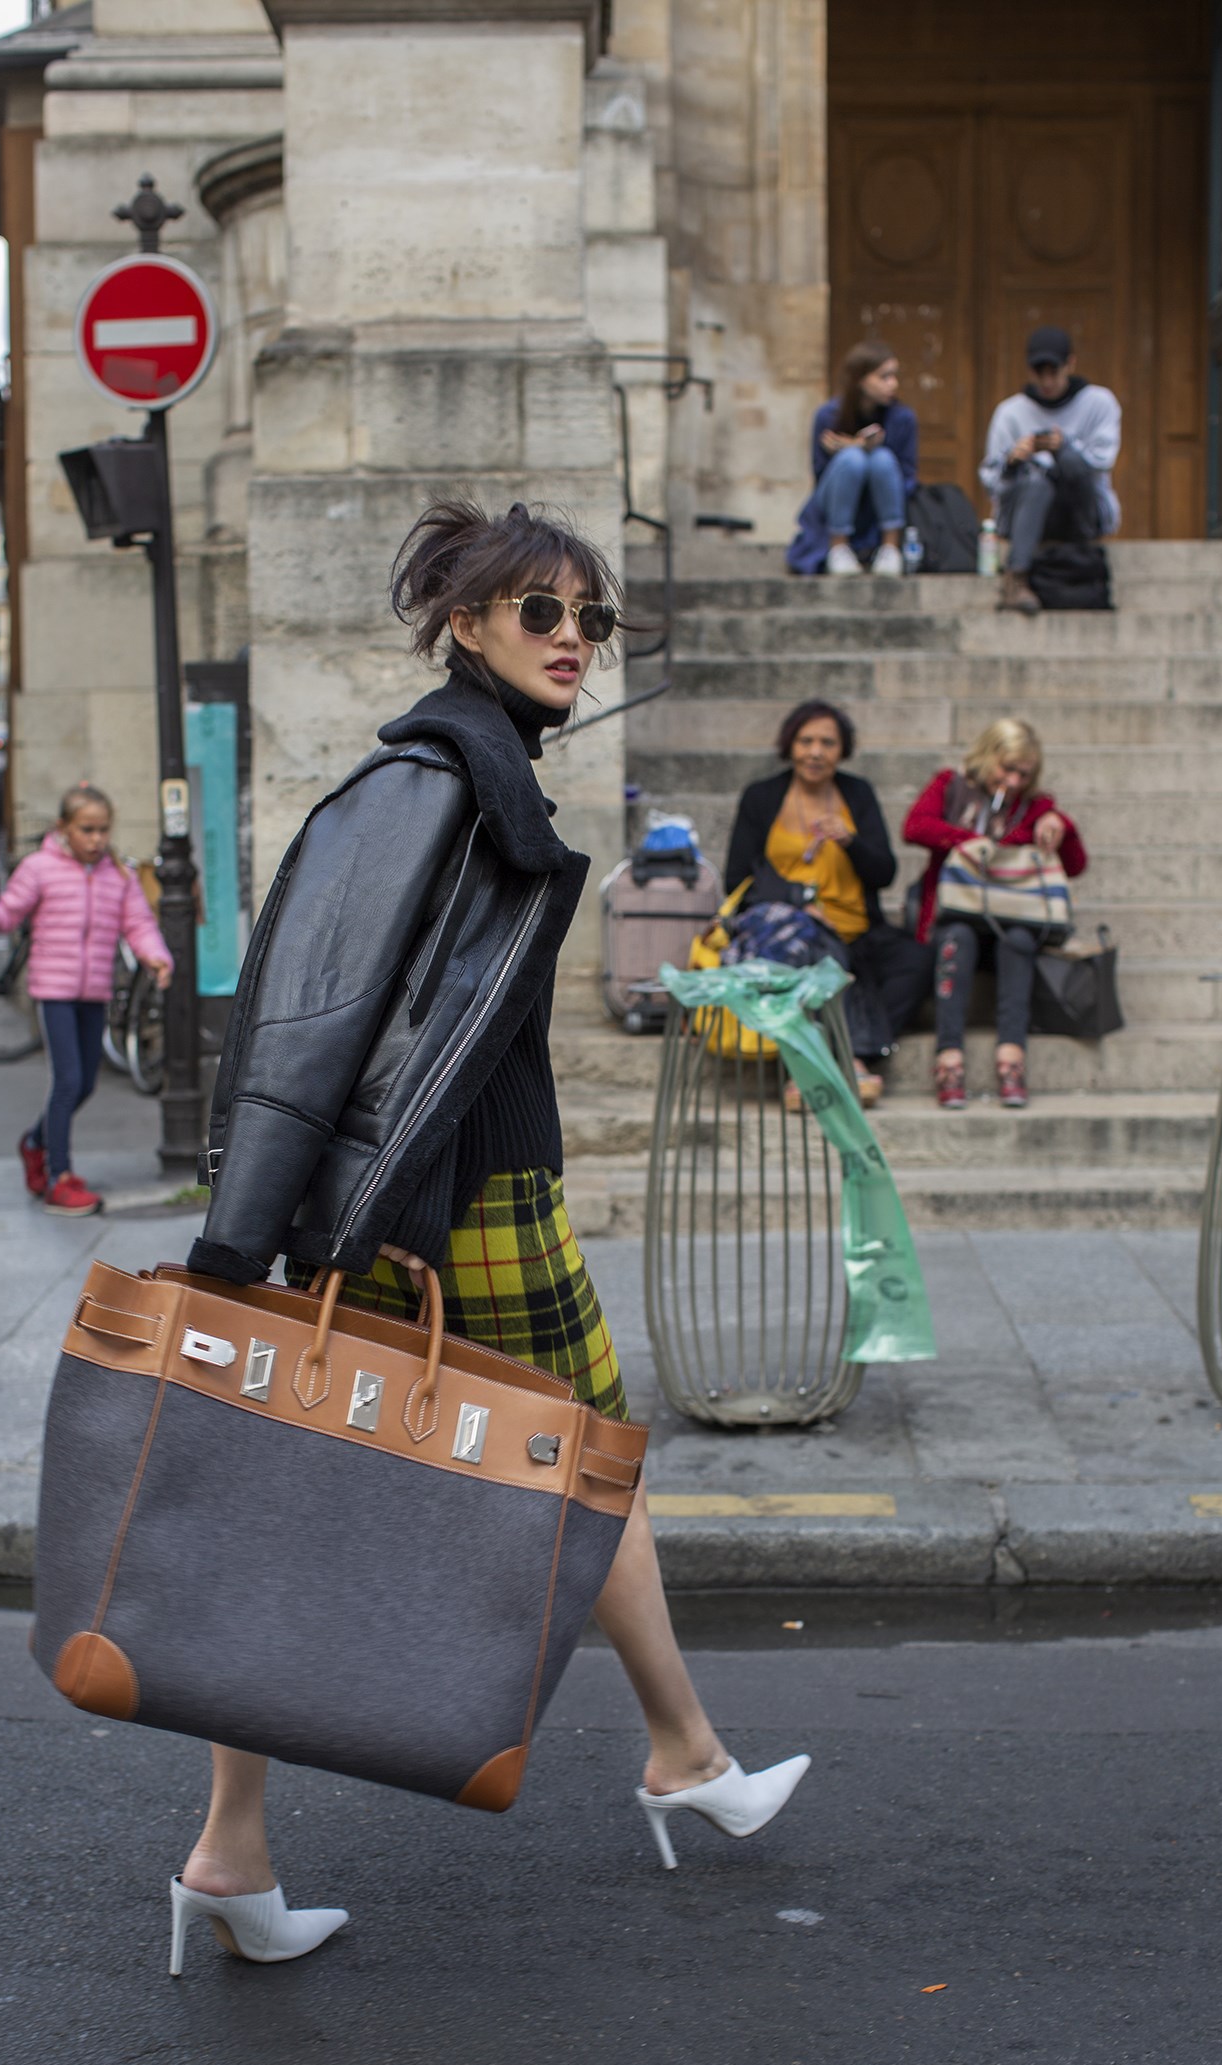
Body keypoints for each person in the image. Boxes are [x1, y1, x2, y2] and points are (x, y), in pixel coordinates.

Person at [167, 499, 812, 1971]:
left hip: (472, 1200)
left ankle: (672, 1751)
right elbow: (327, 1018)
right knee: (517, 1480)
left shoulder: (476, 771)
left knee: (512, 1475)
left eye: (589, 617)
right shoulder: (440, 780)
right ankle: (679, 1755)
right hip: (451, 1218)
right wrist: (326, 1222)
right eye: (541, 612)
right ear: (467, 624)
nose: (573, 639)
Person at [0, 783, 173, 1216]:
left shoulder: (117, 874)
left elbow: (137, 922)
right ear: (64, 828)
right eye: (87, 829)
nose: (96, 839)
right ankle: (59, 1176)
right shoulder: (40, 868)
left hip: (94, 989)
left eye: (103, 829)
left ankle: (34, 1142)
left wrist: (155, 956)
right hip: (55, 992)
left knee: (85, 1084)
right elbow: (7, 915)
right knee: (67, 1081)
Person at [723, 699, 932, 1103]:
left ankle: (840, 1051)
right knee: (822, 956)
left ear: (843, 750)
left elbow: (884, 873)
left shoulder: (857, 793)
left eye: (827, 743)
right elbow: (739, 880)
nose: (815, 752)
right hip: (794, 933)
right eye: (806, 741)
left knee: (918, 960)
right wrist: (800, 901)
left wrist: (850, 841)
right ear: (790, 746)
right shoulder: (762, 797)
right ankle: (843, 1061)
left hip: (858, 929)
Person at [903, 718, 1087, 1109]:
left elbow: (1074, 864)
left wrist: (1060, 824)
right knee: (958, 939)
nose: (1014, 780)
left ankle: (1011, 1057)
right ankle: (948, 1056)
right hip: (957, 916)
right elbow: (915, 827)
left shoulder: (1036, 807)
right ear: (988, 757)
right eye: (1007, 768)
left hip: (1011, 919)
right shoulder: (951, 788)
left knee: (1018, 943)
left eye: (1025, 773)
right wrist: (971, 843)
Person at [980, 325, 1121, 615]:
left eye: (1053, 371)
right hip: (1026, 513)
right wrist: (1013, 461)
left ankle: (1082, 559)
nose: (1046, 381)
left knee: (1071, 466)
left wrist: (1063, 448)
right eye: (1038, 372)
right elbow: (990, 482)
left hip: (1084, 512)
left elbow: (1100, 463)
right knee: (1037, 482)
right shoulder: (1010, 412)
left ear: (1071, 364)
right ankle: (1015, 580)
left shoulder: (1099, 403)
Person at [787, 342, 919, 579]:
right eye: (884, 377)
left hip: (884, 503)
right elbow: (820, 475)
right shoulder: (828, 415)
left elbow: (908, 477)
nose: (893, 384)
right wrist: (853, 451)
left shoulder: (902, 418)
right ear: (861, 379)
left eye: (894, 376)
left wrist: (858, 446)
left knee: (881, 458)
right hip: (839, 503)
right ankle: (838, 546)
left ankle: (890, 547)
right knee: (852, 460)